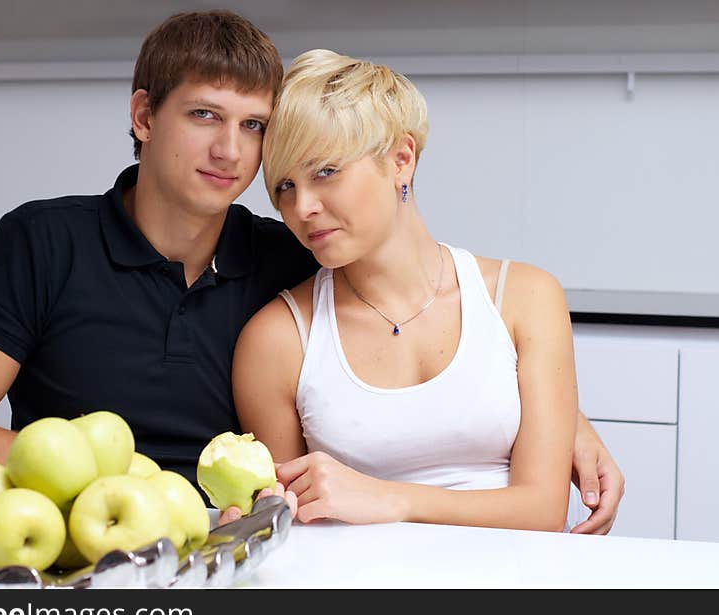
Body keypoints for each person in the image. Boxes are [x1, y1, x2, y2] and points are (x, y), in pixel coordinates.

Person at [0, 11, 621, 534]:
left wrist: (564, 421)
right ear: (144, 115)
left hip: (234, 554)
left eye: (254, 126)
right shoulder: (43, 243)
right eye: (205, 115)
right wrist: (128, 480)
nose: (231, 151)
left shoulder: (289, 254)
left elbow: (414, 308)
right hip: (82, 546)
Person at [229, 48, 592, 531]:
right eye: (285, 188)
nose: (303, 207)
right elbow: (290, 527)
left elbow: (543, 513)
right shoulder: (277, 338)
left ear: (402, 159)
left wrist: (388, 499)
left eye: (325, 172)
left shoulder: (525, 298)